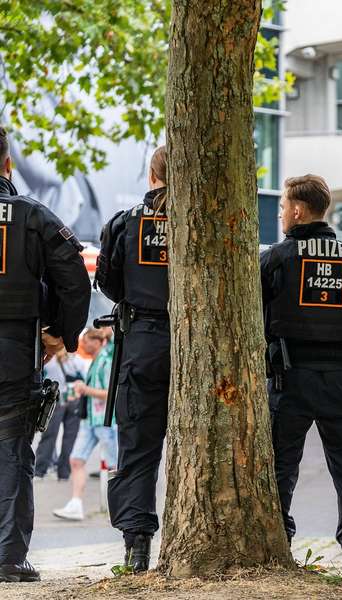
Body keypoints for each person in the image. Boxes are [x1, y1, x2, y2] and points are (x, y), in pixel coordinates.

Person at [261, 174, 342, 580]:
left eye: (281, 209)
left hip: (288, 377)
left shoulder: (276, 258)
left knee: (280, 468)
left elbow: (259, 310)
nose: (280, 216)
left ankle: (278, 546)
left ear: (297, 210)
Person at [0, 125, 91, 582]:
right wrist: (61, 334)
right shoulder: (33, 216)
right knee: (13, 454)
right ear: (8, 164)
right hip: (15, 353)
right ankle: (8, 560)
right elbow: (75, 277)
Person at [95, 146, 171, 573]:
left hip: (141, 341)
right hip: (192, 343)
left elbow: (107, 282)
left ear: (151, 175)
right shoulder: (200, 221)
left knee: (139, 447)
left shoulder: (125, 223)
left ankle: (137, 546)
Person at [52, 331, 118, 521]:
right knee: (76, 460)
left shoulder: (108, 357)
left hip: (106, 420)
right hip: (90, 419)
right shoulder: (95, 360)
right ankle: (76, 504)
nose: (83, 345)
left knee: (114, 465)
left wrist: (85, 389)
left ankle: (115, 507)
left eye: (86, 341)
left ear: (98, 342)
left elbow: (110, 393)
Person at [34, 344, 89, 480]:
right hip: (74, 400)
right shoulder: (78, 361)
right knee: (70, 438)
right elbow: (85, 379)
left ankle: (40, 471)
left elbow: (41, 379)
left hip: (57, 401)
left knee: (49, 436)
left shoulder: (50, 361)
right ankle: (64, 473)